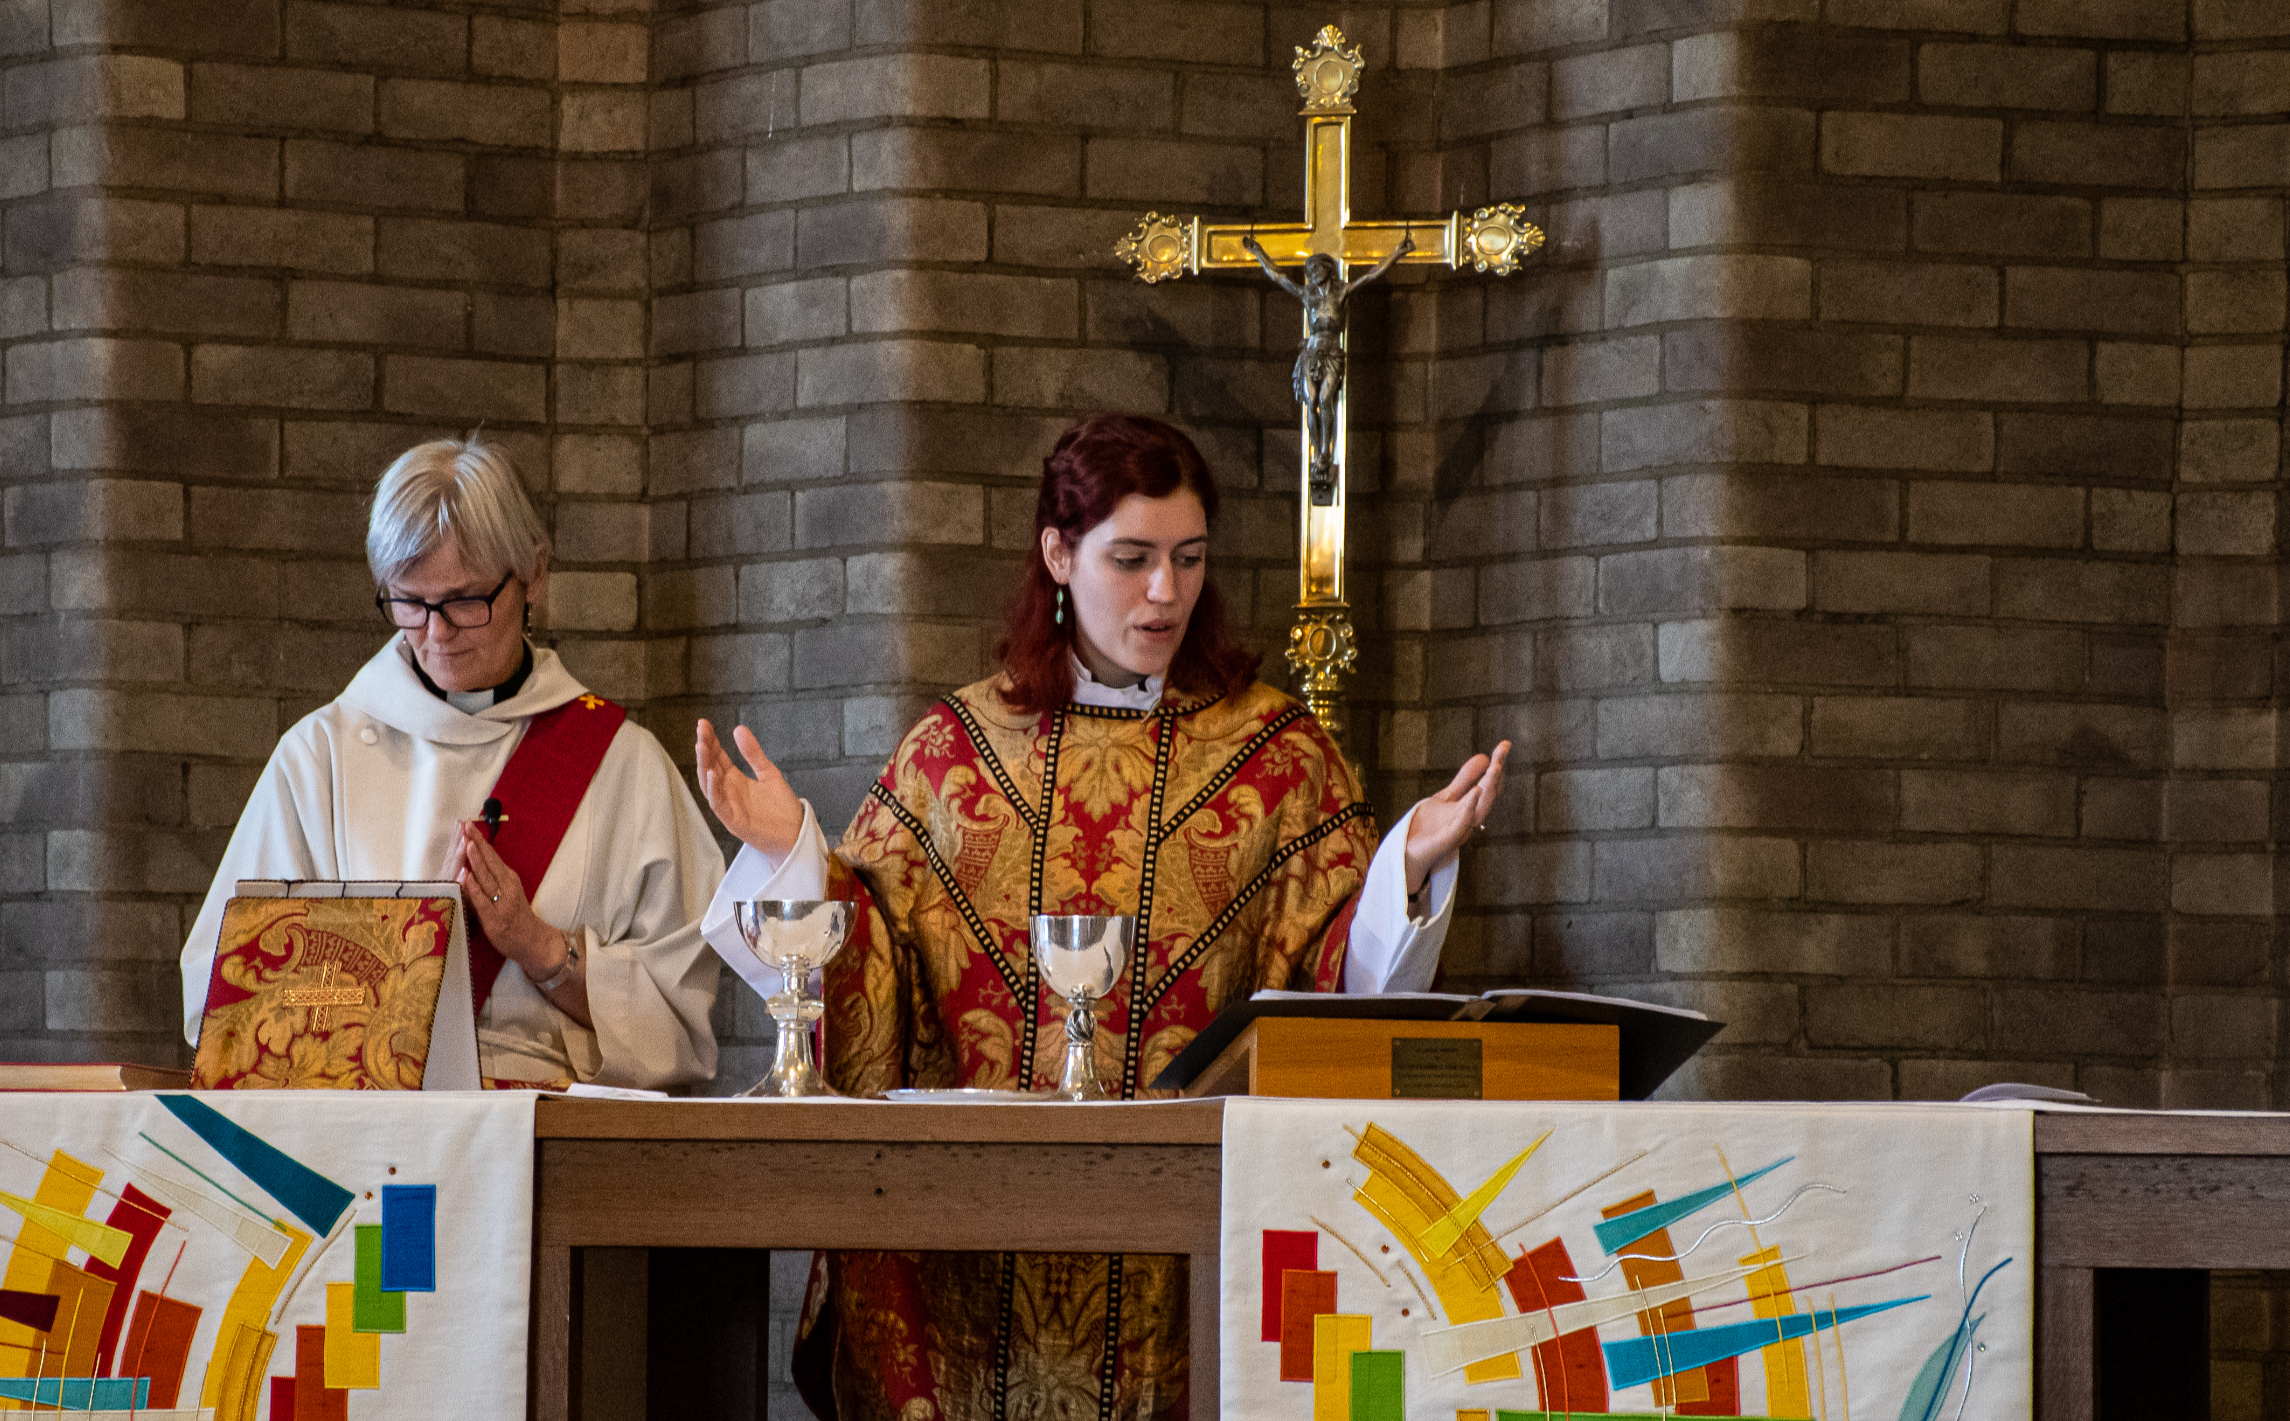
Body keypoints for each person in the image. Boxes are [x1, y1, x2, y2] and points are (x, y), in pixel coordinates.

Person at [693, 413, 1509, 1421]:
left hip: (1188, 1262)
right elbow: (873, 966)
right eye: (1132, 559)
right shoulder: (953, 754)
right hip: (975, 1278)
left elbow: (1338, 997)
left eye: (1189, 558)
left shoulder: (1280, 757)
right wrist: (794, 853)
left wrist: (1405, 871)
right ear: (1059, 554)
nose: (1165, 590)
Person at [177, 435, 723, 1091]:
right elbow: (222, 1001)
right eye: (410, 601)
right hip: (371, 1125)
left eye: (466, 600)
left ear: (534, 574)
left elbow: (682, 1027)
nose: (437, 632)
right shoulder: (319, 758)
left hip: (556, 1126)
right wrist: (391, 966)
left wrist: (539, 947)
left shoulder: (623, 765)